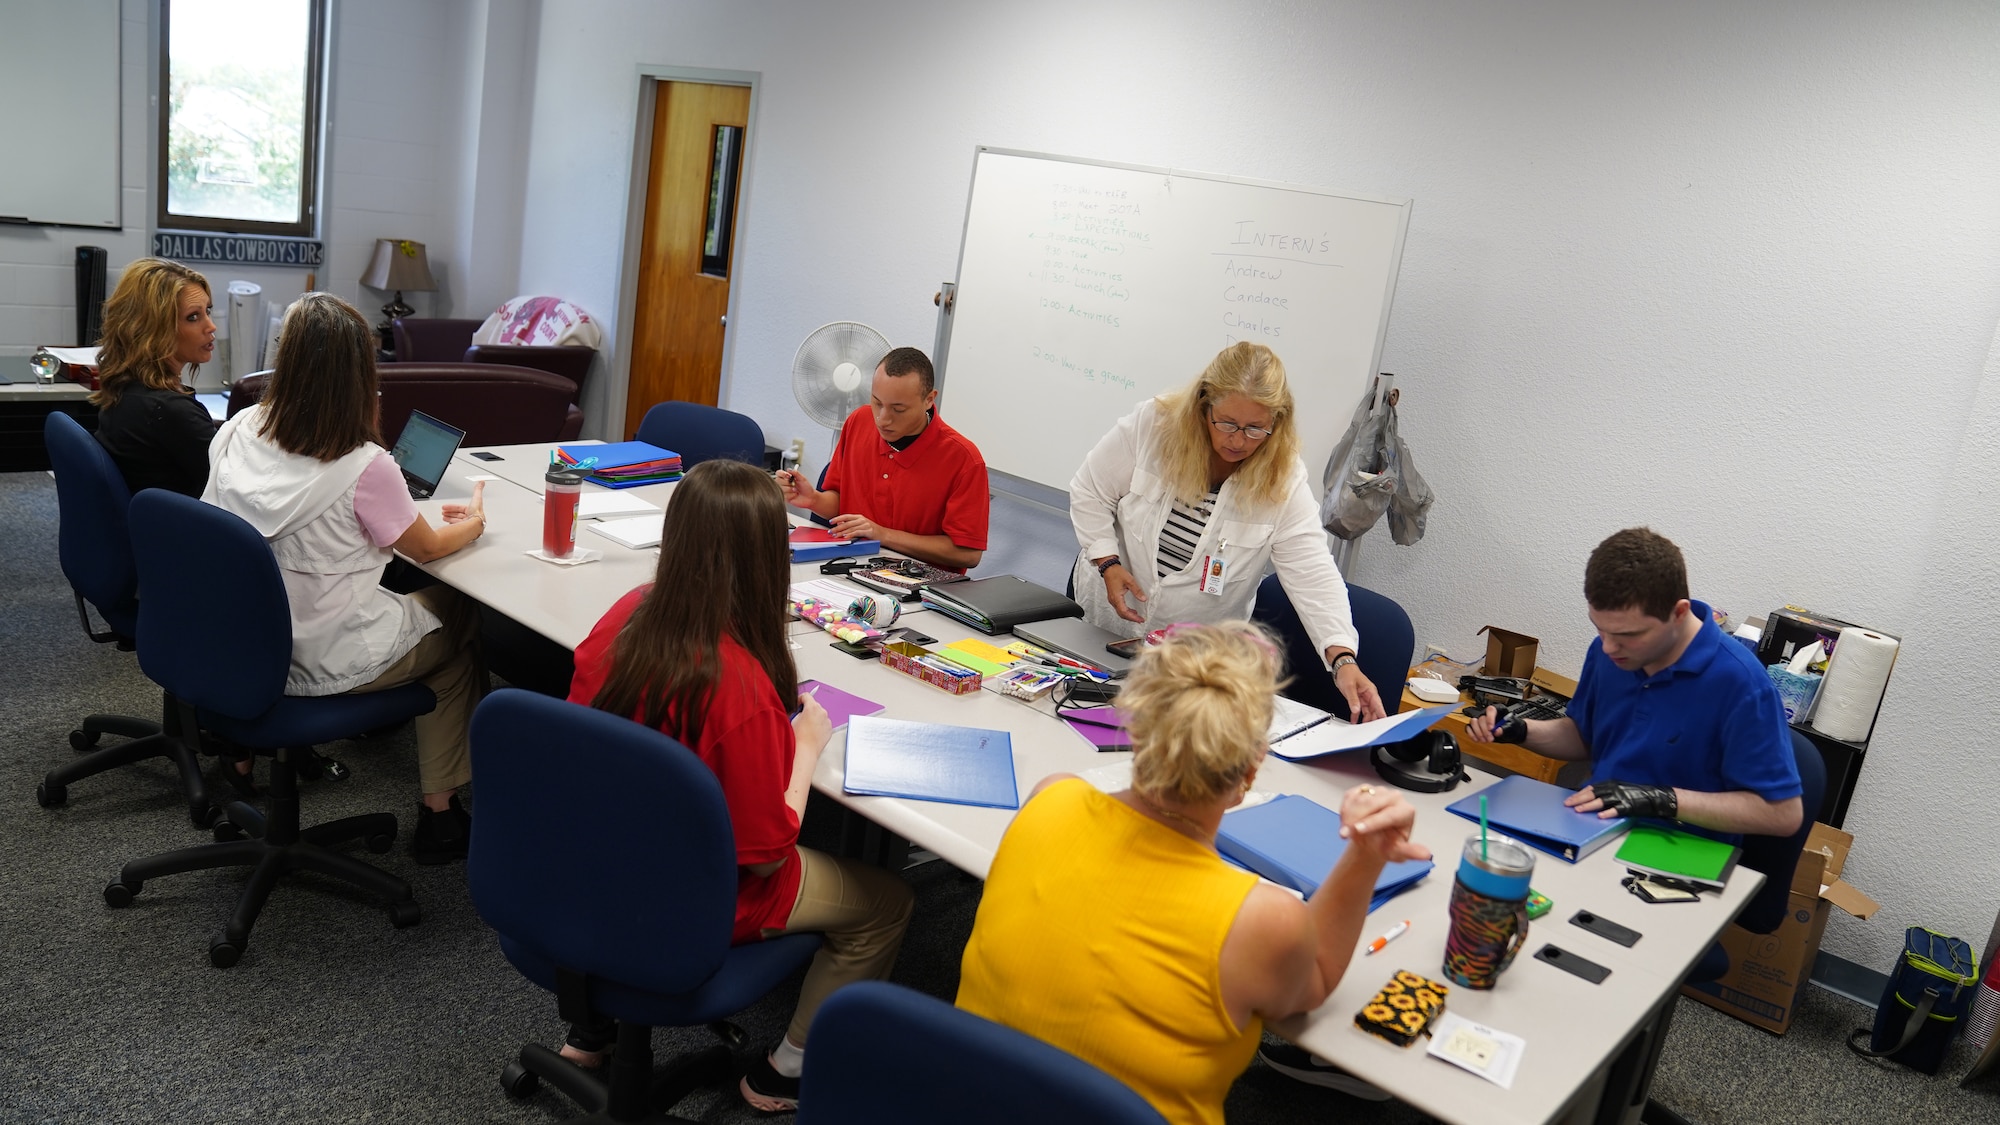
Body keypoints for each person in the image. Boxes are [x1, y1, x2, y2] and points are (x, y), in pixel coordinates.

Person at [956, 622, 1429, 1125]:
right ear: (1249, 773)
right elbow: (1310, 989)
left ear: (1133, 729)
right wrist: (1363, 856)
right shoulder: (1258, 919)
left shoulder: (1051, 798)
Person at [563, 457, 916, 1114]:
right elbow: (766, 853)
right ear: (765, 562)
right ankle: (785, 1070)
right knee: (888, 902)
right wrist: (806, 747)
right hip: (692, 898)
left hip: (595, 866)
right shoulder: (741, 690)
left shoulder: (624, 614)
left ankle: (592, 1026)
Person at [203, 293, 489, 864]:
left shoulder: (235, 431)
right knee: (462, 624)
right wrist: (476, 523)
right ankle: (441, 815)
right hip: (321, 658)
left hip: (237, 647)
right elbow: (429, 548)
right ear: (360, 376)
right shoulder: (364, 464)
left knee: (396, 596)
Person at [1069, 341, 1384, 721]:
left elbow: (1312, 572)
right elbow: (1090, 490)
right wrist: (1107, 562)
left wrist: (1342, 657)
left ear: (1277, 422)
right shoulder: (1154, 425)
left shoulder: (1282, 477)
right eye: (1228, 424)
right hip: (1107, 626)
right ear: (1204, 405)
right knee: (1082, 720)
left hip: (1194, 660)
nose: (1238, 440)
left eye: (1255, 429)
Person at [1470, 527, 1803, 841]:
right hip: (1591, 828)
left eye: (1629, 635)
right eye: (1600, 628)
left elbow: (1783, 815)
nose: (1609, 646)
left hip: (1677, 852)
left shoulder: (1740, 683)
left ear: (1678, 613)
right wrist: (1520, 730)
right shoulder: (1609, 651)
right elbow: (1586, 737)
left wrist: (1661, 800)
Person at [776, 346, 988, 571]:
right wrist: (813, 500)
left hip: (919, 587)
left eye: (898, 409)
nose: (882, 419)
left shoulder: (964, 460)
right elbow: (842, 504)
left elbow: (968, 554)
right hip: (852, 568)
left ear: (929, 399)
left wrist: (883, 534)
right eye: (877, 402)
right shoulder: (858, 422)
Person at [90, 258, 220, 497]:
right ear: (154, 329)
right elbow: (237, 487)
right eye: (193, 317)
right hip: (182, 528)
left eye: (207, 311)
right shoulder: (170, 410)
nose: (211, 326)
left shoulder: (126, 388)